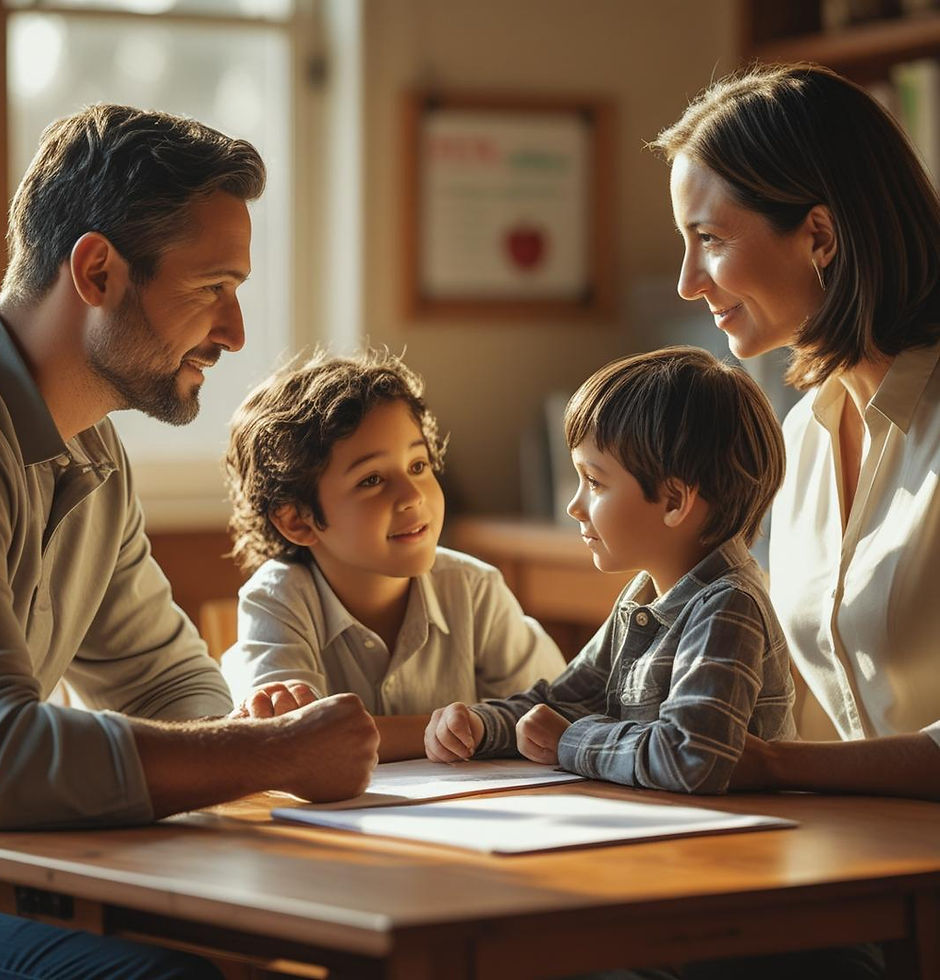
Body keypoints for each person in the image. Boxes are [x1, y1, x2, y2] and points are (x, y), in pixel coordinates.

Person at [0, 103, 377, 978]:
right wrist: (271, 753)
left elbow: (163, 677)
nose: (234, 332)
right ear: (99, 271)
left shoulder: (89, 443)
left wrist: (247, 726)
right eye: (210, 288)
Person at [652, 62, 940, 802]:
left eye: (709, 237)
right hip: (855, 862)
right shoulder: (807, 434)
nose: (688, 280)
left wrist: (775, 765)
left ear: (820, 235)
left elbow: (793, 751)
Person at [424, 346, 796, 795]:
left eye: (594, 482)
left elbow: (692, 756)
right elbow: (562, 701)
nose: (574, 506)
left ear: (675, 501)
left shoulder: (728, 605)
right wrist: (481, 726)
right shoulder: (643, 597)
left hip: (736, 845)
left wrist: (570, 741)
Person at [222, 349, 566, 759]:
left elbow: (552, 716)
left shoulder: (474, 589)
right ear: (297, 520)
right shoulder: (278, 599)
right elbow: (293, 739)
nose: (412, 495)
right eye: (372, 479)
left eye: (419, 465)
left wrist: (483, 727)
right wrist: (462, 730)